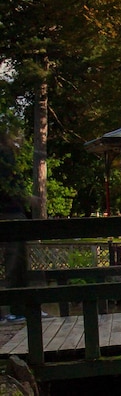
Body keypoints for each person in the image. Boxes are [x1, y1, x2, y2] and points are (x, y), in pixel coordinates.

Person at [0, 131, 29, 318]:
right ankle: (15, 309)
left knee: (18, 264)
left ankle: (18, 309)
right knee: (15, 263)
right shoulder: (5, 157)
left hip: (14, 212)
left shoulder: (8, 156)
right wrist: (26, 197)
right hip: (10, 214)